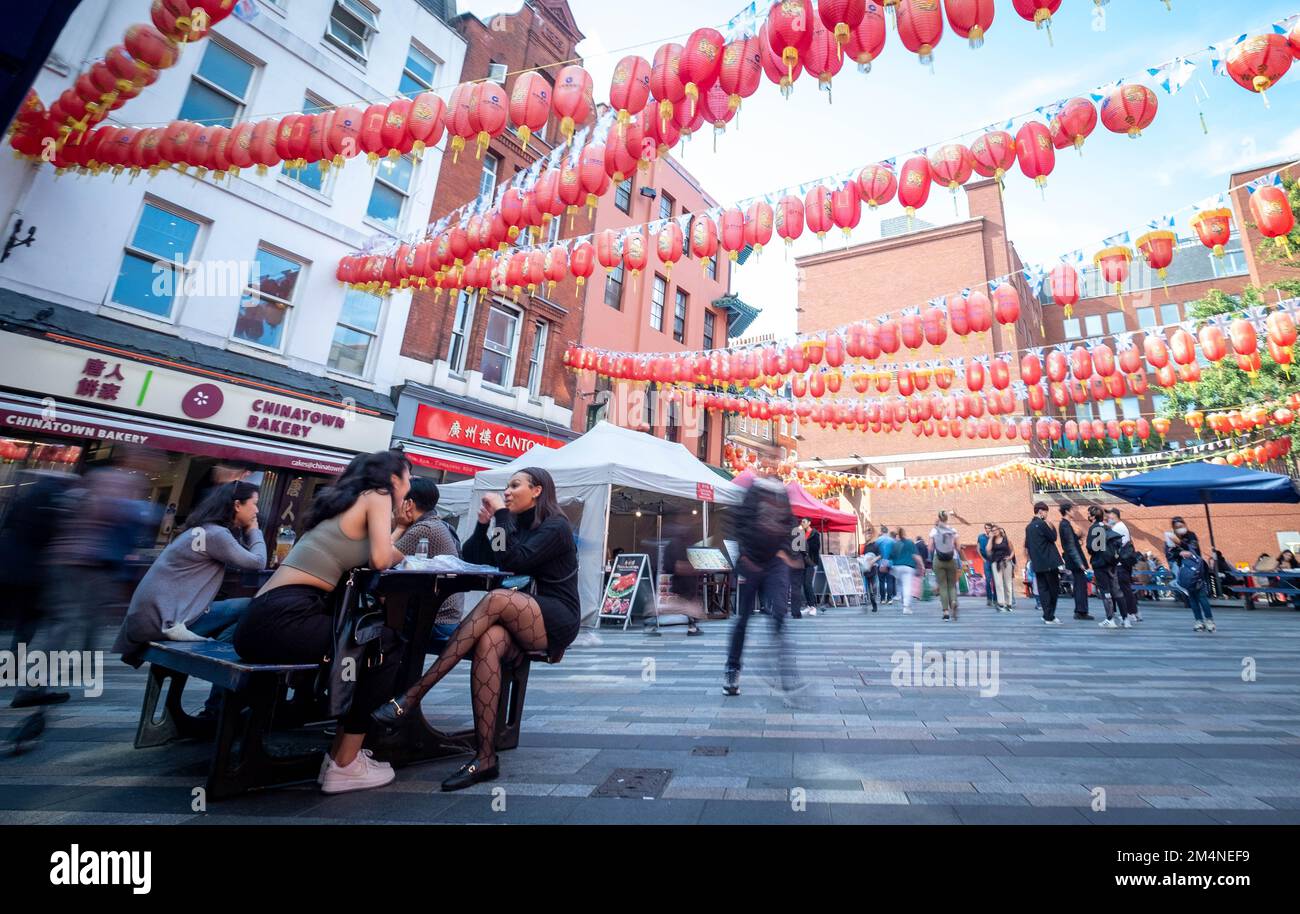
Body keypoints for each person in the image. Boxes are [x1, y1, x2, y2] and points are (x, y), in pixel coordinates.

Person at [371, 467, 580, 791]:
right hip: (525, 613)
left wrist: (499, 514)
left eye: (515, 486)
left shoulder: (556, 526)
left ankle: (412, 695)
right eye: (506, 488)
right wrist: (484, 525)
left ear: (537, 491)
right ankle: (485, 758)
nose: (507, 491)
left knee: (497, 598)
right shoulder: (520, 525)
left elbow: (518, 560)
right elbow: (473, 557)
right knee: (488, 641)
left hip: (558, 617)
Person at [234, 450, 410, 795]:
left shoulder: (339, 507)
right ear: (393, 479)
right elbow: (379, 558)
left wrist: (397, 531)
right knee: (384, 645)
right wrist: (404, 554)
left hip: (262, 619)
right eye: (407, 479)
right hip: (286, 617)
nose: (408, 489)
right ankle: (345, 763)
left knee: (364, 642)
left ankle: (343, 751)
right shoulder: (378, 496)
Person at [114, 481, 267, 717]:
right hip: (167, 620)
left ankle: (219, 692)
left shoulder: (203, 530)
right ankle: (219, 706)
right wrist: (253, 531)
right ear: (237, 505)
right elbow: (258, 563)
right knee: (254, 609)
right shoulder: (217, 534)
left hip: (149, 617)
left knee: (238, 619)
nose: (257, 511)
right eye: (254, 504)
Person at [721, 470, 803, 699]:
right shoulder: (753, 491)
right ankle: (732, 669)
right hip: (751, 562)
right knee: (743, 618)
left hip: (774, 563)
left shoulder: (784, 496)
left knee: (778, 612)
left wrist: (792, 554)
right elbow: (735, 521)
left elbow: (793, 526)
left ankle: (785, 673)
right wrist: (744, 556)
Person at [392, 477, 463, 641]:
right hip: (445, 614)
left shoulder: (424, 528)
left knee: (384, 624)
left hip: (438, 620)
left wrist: (400, 526)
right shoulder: (434, 522)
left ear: (408, 504)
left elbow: (383, 559)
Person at [1086, 505, 1127, 628]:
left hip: (1100, 563)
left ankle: (1110, 619)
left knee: (1106, 592)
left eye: (1089, 514)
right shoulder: (1107, 527)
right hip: (1111, 563)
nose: (1088, 515)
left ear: (1093, 517)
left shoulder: (1094, 528)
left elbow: (1092, 548)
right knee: (1117, 590)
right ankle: (1125, 619)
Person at [1025, 501, 1063, 625]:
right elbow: (1053, 537)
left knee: (1043, 589)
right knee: (1053, 589)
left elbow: (1027, 546)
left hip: (1037, 563)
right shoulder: (1042, 524)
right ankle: (1049, 616)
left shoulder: (1029, 527)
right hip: (1049, 562)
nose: (1046, 514)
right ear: (1041, 512)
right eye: (1046, 512)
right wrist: (1052, 527)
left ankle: (1047, 615)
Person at [1058, 503, 1093, 620]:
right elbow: (1070, 546)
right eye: (1072, 510)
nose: (1074, 512)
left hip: (1073, 559)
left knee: (1080, 585)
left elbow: (1070, 543)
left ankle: (1081, 610)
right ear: (1067, 511)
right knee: (1080, 585)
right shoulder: (1065, 525)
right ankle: (1081, 611)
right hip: (1075, 561)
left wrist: (1077, 537)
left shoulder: (1065, 525)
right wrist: (1080, 563)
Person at [1105, 508, 1141, 622]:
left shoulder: (1118, 527)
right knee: (1125, 587)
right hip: (1123, 562)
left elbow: (1116, 544)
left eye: (1109, 515)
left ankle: (1131, 613)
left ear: (1115, 515)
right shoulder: (1119, 526)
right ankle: (1133, 611)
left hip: (1121, 562)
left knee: (1124, 588)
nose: (1108, 518)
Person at [929, 511, 961, 621]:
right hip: (951, 559)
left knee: (942, 586)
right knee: (951, 585)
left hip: (938, 559)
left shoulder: (934, 531)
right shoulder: (952, 530)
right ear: (947, 519)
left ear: (938, 518)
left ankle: (946, 612)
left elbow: (930, 547)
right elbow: (958, 546)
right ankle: (953, 602)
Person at [987, 526, 1016, 612]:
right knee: (998, 584)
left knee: (1008, 583)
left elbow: (1012, 550)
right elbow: (988, 550)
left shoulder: (1006, 539)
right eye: (992, 530)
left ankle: (1009, 604)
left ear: (999, 530)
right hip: (996, 563)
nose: (994, 531)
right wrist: (991, 538)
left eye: (995, 530)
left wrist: (1010, 558)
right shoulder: (992, 540)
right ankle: (1001, 603)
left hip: (1006, 562)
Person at [891, 528, 918, 616]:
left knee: (900, 585)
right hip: (908, 567)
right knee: (907, 586)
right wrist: (921, 565)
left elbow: (891, 556)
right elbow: (915, 555)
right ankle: (906, 606)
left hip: (897, 567)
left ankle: (901, 598)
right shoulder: (910, 543)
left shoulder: (896, 544)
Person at [800, 517, 822, 616]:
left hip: (811, 562)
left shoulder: (815, 534)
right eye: (802, 522)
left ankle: (813, 607)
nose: (802, 523)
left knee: (807, 583)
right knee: (804, 584)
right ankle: (809, 606)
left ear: (809, 523)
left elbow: (816, 548)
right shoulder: (802, 534)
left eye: (804, 522)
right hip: (803, 562)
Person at [874, 524, 896, 605]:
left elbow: (875, 552)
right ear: (887, 531)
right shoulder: (892, 541)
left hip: (881, 563)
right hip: (890, 563)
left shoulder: (878, 540)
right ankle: (889, 599)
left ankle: (883, 599)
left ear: (881, 531)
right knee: (890, 580)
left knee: (881, 581)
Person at [857, 542, 880, 613]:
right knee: (869, 589)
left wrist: (873, 561)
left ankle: (874, 602)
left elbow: (880, 555)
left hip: (873, 569)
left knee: (874, 587)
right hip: (866, 569)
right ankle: (872, 603)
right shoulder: (865, 547)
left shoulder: (876, 545)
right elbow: (862, 556)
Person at [977, 523, 994, 607]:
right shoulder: (981, 537)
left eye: (989, 528)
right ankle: (989, 599)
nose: (988, 529)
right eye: (986, 528)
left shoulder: (994, 537)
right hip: (986, 561)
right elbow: (978, 548)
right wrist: (982, 558)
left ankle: (996, 599)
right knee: (988, 580)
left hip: (994, 561)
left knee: (995, 581)